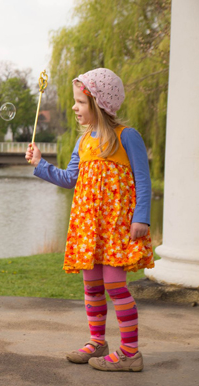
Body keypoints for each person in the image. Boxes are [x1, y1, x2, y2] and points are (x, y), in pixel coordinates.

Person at [25, 68, 153, 372]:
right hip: (88, 227)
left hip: (116, 227)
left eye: (80, 102)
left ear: (99, 103)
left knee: (115, 285)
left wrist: (142, 218)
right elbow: (70, 178)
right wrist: (41, 163)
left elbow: (143, 180)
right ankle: (97, 341)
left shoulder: (126, 137)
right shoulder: (82, 143)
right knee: (92, 285)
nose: (74, 107)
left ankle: (130, 353)